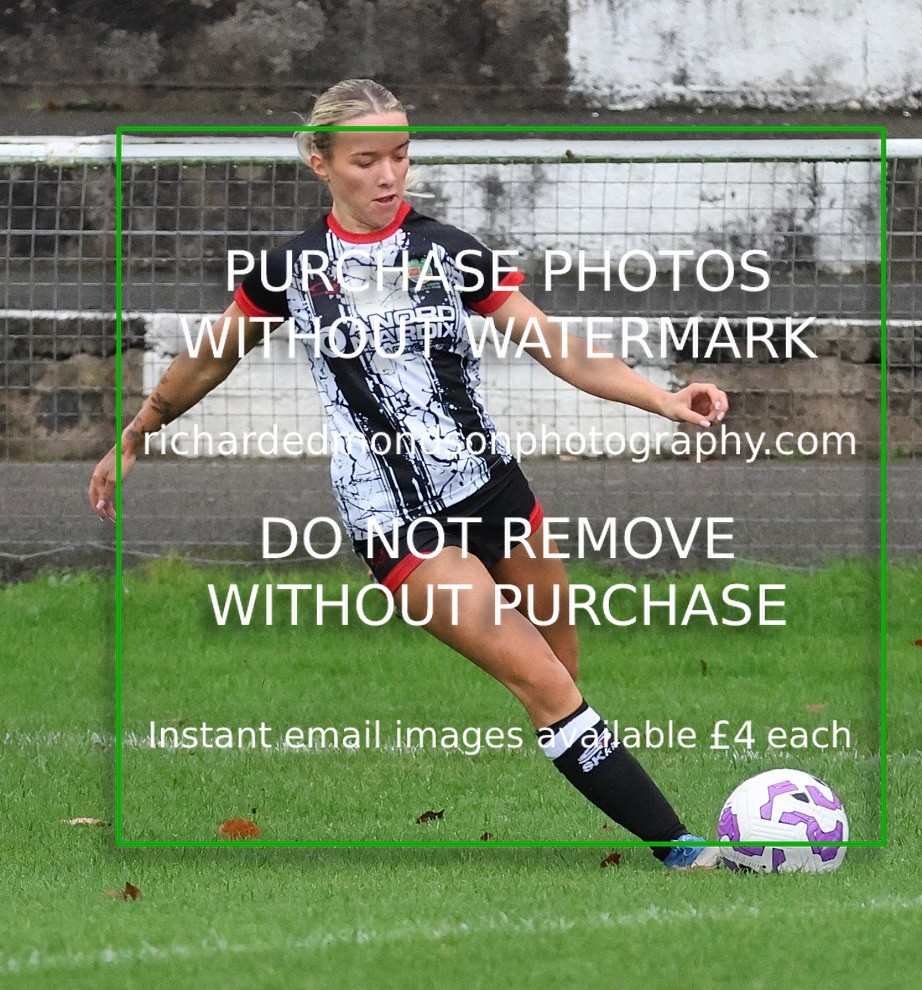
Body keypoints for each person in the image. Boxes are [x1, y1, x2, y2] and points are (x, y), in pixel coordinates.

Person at [89, 79, 728, 868]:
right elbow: (211, 357)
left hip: (497, 493)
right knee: (548, 689)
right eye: (367, 160)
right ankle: (684, 849)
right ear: (319, 162)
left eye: (401, 155)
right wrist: (140, 430)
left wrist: (662, 400)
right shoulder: (291, 270)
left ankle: (599, 782)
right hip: (396, 520)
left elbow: (554, 344)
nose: (390, 176)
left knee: (562, 670)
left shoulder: (448, 250)